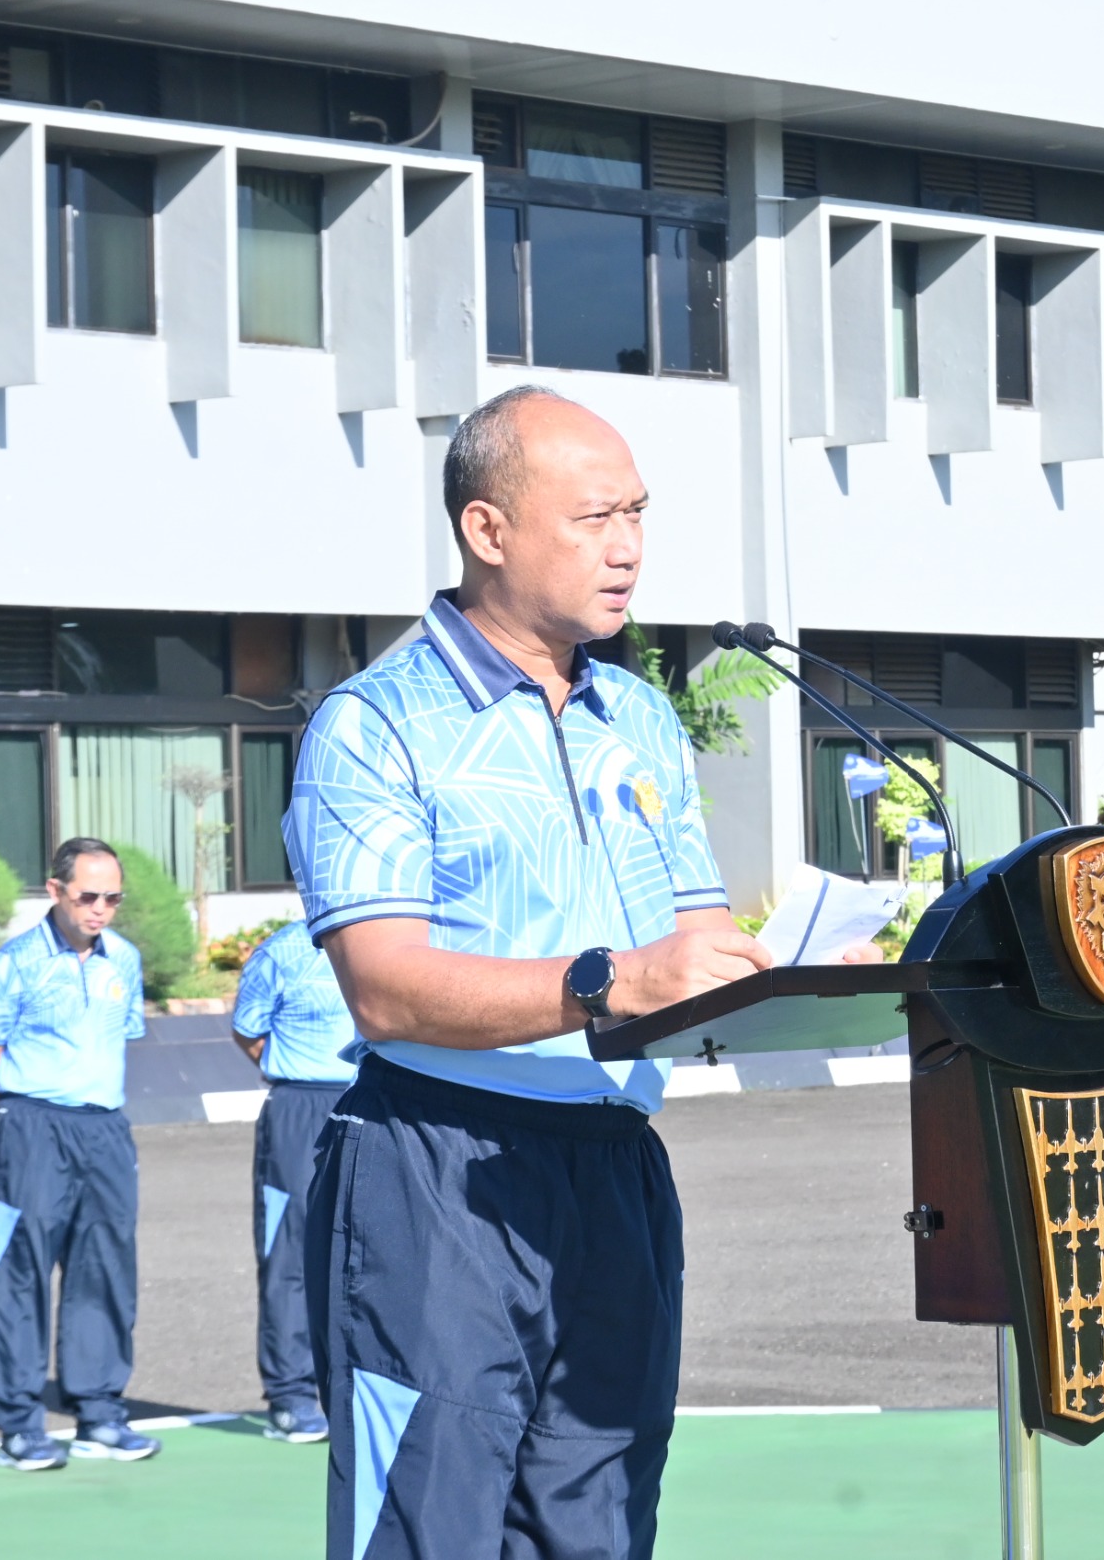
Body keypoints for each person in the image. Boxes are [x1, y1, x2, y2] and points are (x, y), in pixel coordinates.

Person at [288, 385, 774, 1560]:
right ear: (487, 529)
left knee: (598, 1523)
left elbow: (692, 942)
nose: (628, 547)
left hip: (613, 1169)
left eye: (640, 514)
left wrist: (803, 970)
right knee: (430, 1524)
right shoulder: (376, 723)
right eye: (594, 516)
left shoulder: (641, 717)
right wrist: (605, 982)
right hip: (440, 1170)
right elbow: (386, 987)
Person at [0, 836, 158, 1470]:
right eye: (88, 897)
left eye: (112, 898)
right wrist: (29, 1108)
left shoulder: (123, 960)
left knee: (105, 1268)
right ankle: (20, 1422)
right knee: (19, 1270)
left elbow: (121, 1035)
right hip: (33, 1128)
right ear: (55, 891)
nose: (100, 909)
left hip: (105, 1128)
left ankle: (98, 1409)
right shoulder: (14, 963)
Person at [230, 917, 358, 1445]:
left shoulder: (377, 938)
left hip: (368, 1103)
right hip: (299, 1108)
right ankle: (290, 1393)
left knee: (367, 1254)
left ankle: (351, 1387)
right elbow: (248, 1031)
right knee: (289, 1254)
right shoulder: (279, 953)